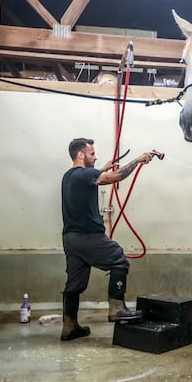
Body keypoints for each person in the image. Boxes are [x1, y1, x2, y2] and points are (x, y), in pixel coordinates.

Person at [60, 137, 154, 341]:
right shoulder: (84, 174)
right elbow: (115, 177)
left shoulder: (69, 176)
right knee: (119, 259)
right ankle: (117, 308)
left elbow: (95, 177)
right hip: (88, 236)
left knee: (74, 284)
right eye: (92, 153)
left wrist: (102, 168)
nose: (95, 156)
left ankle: (69, 327)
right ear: (80, 155)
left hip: (71, 239)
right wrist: (138, 161)